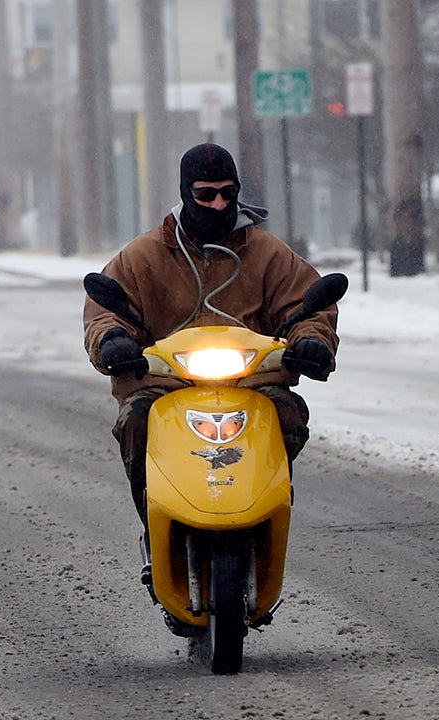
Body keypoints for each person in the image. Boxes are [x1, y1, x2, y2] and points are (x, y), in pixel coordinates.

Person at [83, 142, 339, 529]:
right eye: (205, 194)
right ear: (186, 194)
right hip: (164, 383)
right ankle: (156, 521)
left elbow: (307, 304)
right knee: (136, 420)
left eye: (228, 193)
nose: (218, 204)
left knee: (286, 414)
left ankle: (267, 506)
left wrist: (312, 339)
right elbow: (104, 310)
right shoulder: (143, 256)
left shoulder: (270, 255)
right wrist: (112, 340)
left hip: (252, 383)